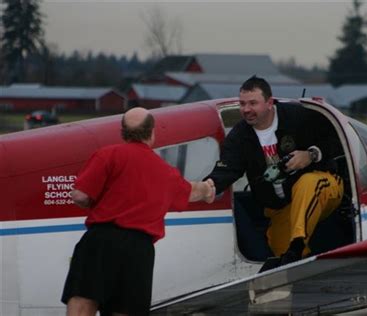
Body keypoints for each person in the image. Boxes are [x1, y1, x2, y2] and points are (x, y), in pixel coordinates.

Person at [62, 107, 215, 316]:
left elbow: (79, 195)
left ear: (122, 132)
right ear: (152, 132)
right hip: (138, 251)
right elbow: (191, 192)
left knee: (82, 304)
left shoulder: (107, 155)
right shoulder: (165, 171)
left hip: (100, 241)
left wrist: (96, 203)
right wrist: (208, 190)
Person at [205, 76, 343, 267]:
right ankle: (300, 267)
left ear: (270, 102)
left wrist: (310, 155)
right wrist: (207, 186)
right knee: (283, 258)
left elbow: (337, 140)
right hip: (281, 208)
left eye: (253, 103)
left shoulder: (299, 116)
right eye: (242, 104)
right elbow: (228, 168)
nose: (246, 110)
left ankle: (297, 244)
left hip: (326, 186)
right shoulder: (239, 136)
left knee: (308, 183)